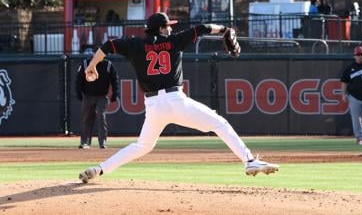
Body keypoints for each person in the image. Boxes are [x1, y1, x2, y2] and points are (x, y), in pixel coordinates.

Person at [78, 12, 279, 183]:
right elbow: (203, 27)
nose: (171, 30)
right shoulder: (174, 41)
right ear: (161, 29)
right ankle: (249, 161)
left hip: (154, 106)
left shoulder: (135, 45)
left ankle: (98, 169)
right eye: (168, 27)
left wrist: (91, 66)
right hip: (176, 100)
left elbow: (107, 46)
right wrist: (225, 29)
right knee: (221, 124)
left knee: (142, 146)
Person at [76, 57, 119, 149]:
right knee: (87, 118)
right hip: (88, 96)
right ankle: (85, 142)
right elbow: (79, 78)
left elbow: (114, 79)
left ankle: (102, 142)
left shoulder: (108, 65)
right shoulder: (85, 63)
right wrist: (79, 93)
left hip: (102, 96)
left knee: (101, 117)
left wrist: (115, 94)